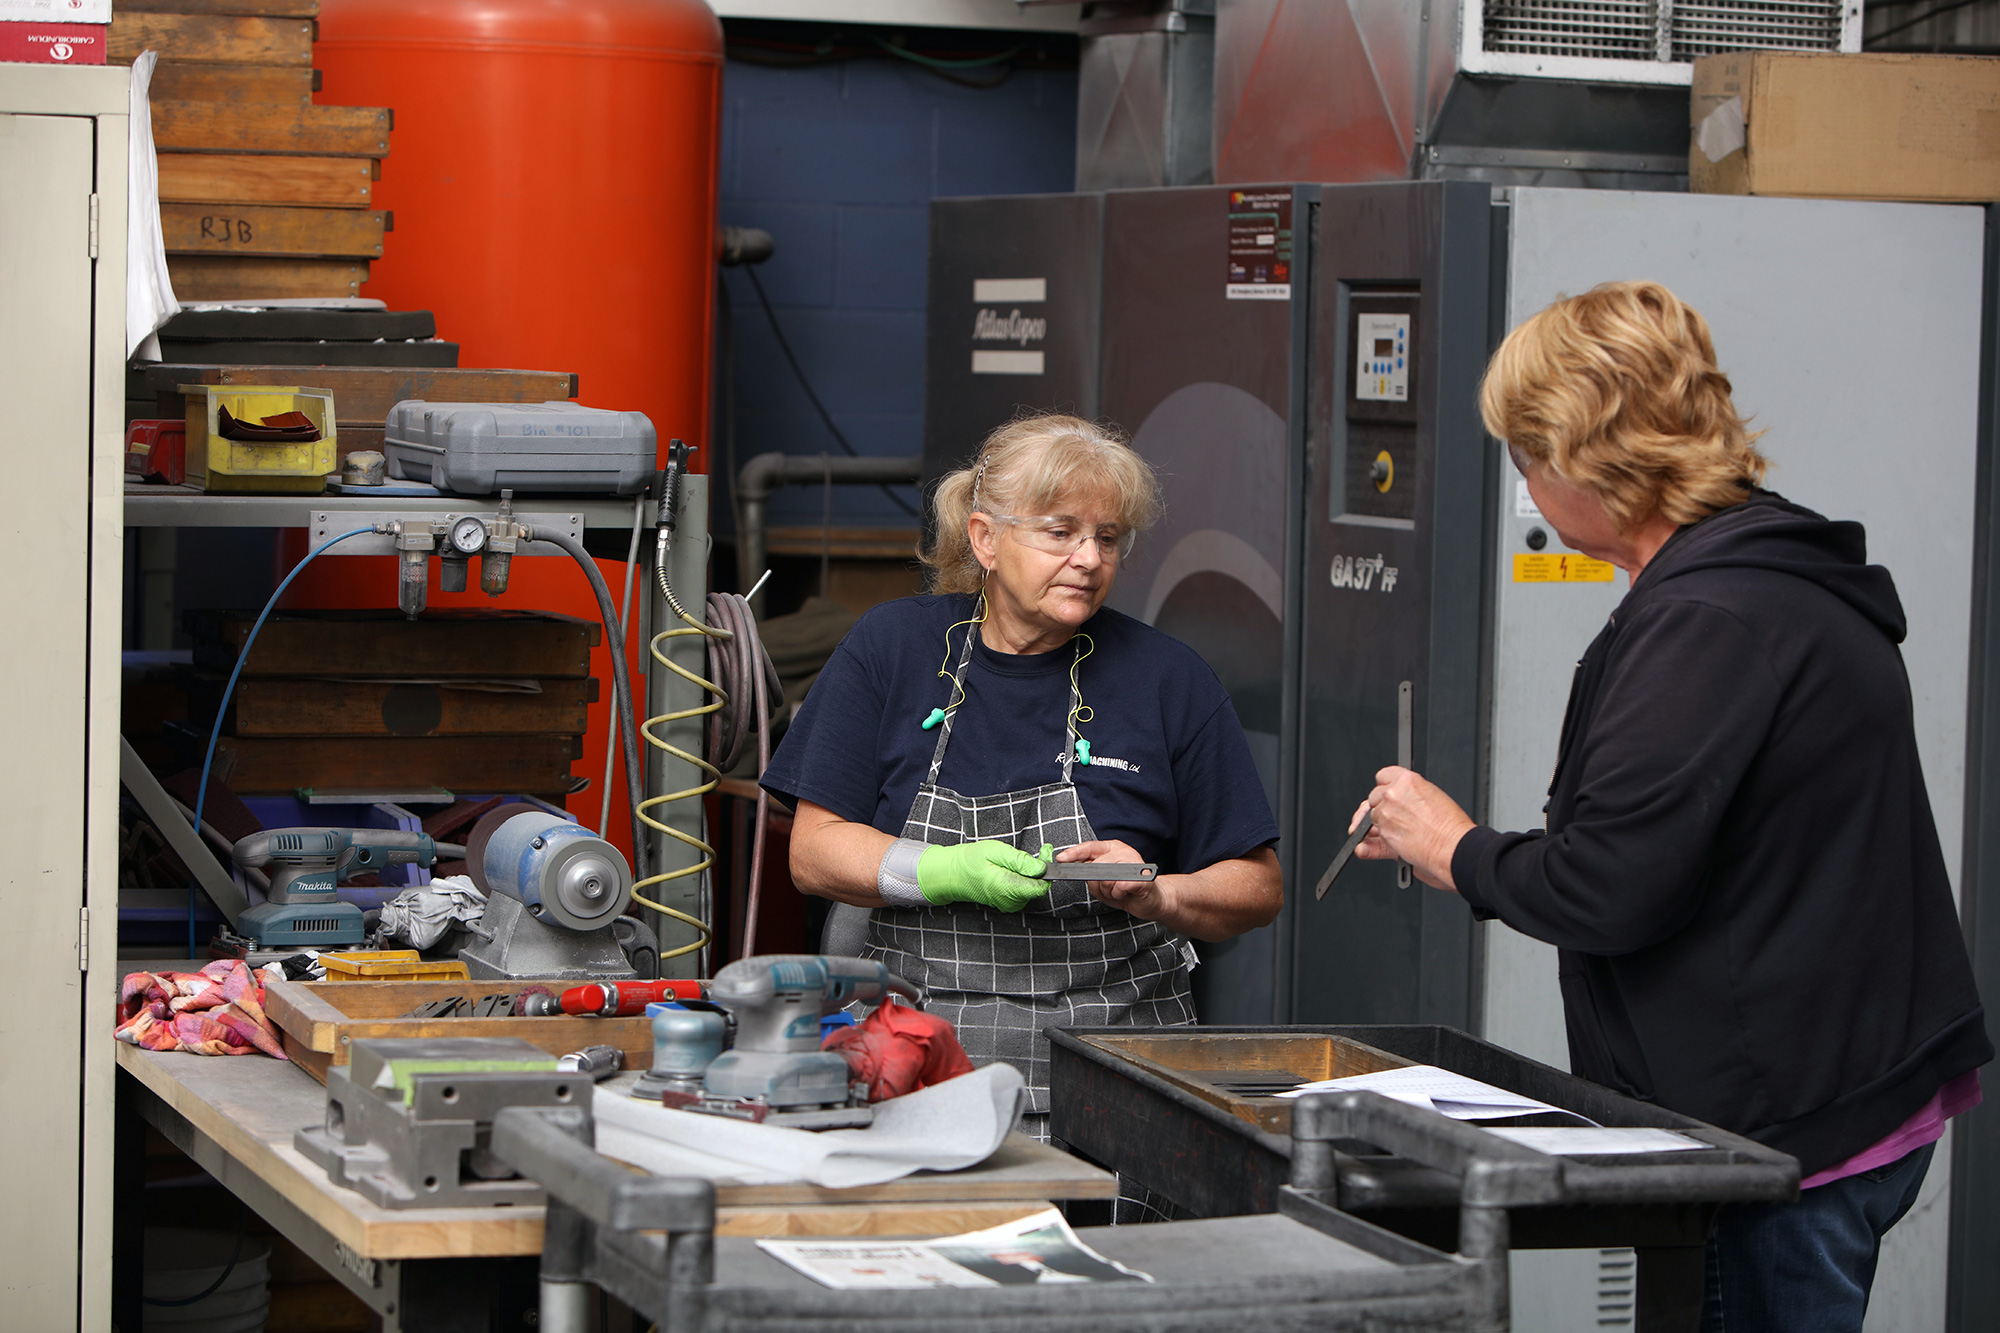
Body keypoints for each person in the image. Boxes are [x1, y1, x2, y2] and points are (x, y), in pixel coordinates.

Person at [1349, 281, 1990, 1332]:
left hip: (1779, 1137)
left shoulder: (1708, 616)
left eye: (1523, 455)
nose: (1522, 482)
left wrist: (1456, 849)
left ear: (1576, 455)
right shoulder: (1764, 565)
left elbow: (1606, 885)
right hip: (1843, 1096)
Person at [760, 413, 1283, 1135]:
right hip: (916, 1062)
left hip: (1115, 1070)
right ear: (985, 539)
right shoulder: (894, 648)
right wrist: (944, 870)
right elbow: (813, 853)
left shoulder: (1169, 679)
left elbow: (1257, 887)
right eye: (1060, 531)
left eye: (1107, 537)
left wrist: (1159, 891)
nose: (1089, 559)